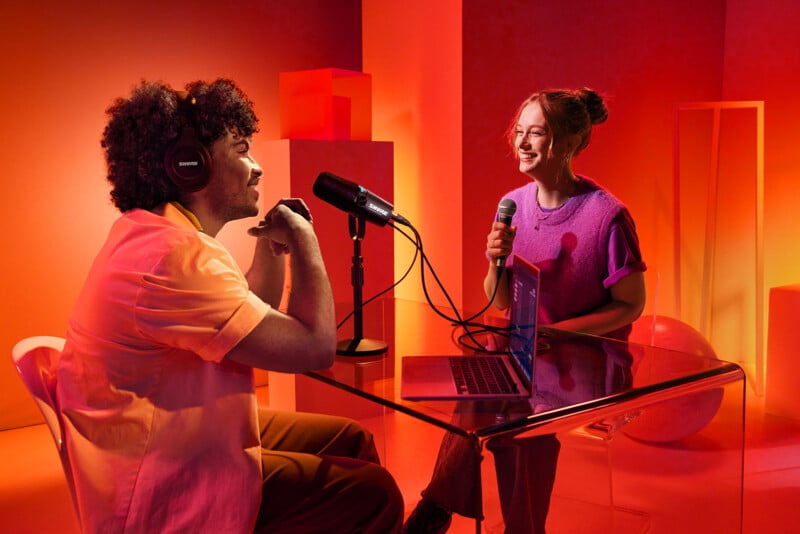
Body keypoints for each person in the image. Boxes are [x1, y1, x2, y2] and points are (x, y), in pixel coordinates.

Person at [56, 79, 404, 534]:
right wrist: (306, 242)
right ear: (189, 166)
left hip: (168, 431)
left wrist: (272, 249)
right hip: (163, 482)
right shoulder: (175, 258)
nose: (257, 167)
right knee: (375, 493)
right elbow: (316, 349)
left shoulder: (151, 235)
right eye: (241, 150)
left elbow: (246, 322)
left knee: (351, 438)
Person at [403, 87, 646, 533]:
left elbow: (632, 304)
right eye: (519, 132)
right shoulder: (512, 204)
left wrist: (563, 333)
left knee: (518, 416)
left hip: (588, 361)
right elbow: (499, 301)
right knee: (481, 389)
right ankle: (484, 517)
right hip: (528, 356)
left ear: (571, 143)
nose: (522, 143)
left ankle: (444, 510)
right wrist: (495, 260)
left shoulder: (607, 215)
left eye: (536, 133)